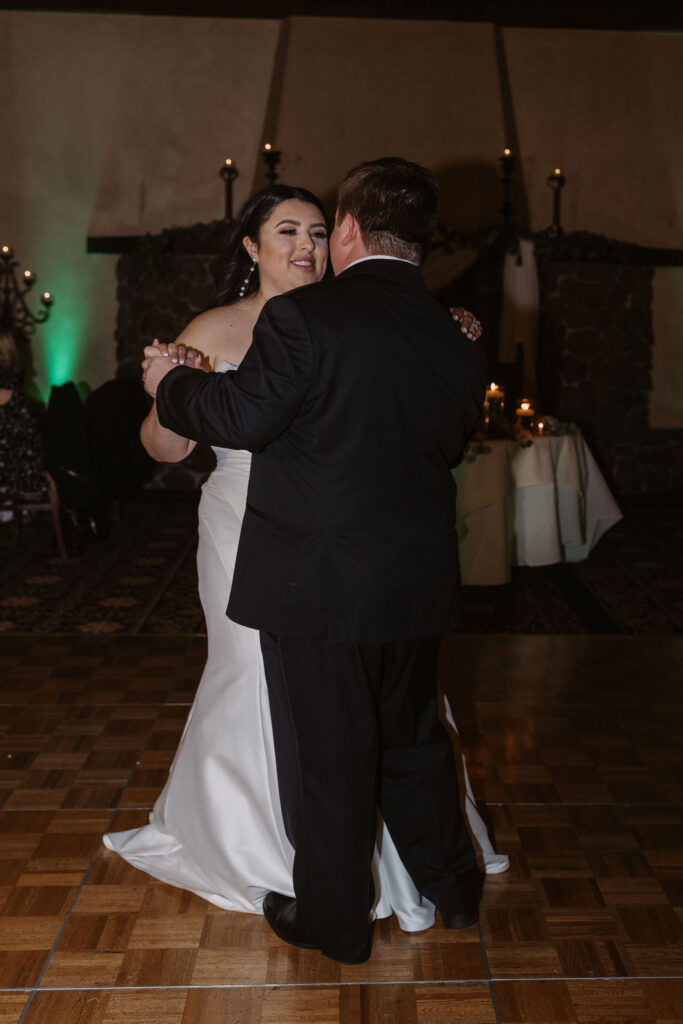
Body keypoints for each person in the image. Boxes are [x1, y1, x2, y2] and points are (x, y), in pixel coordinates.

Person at [140, 158, 491, 965]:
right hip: (414, 572)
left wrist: (168, 381)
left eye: (318, 227)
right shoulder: (451, 328)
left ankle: (334, 922)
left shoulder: (310, 319)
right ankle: (452, 886)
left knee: (332, 754)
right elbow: (447, 440)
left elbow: (244, 414)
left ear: (346, 231)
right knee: (413, 735)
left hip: (322, 576)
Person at [0, 330, 46, 511]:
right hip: (25, 453)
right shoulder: (12, 377)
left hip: (18, 459)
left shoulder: (4, 378)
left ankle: (8, 511)